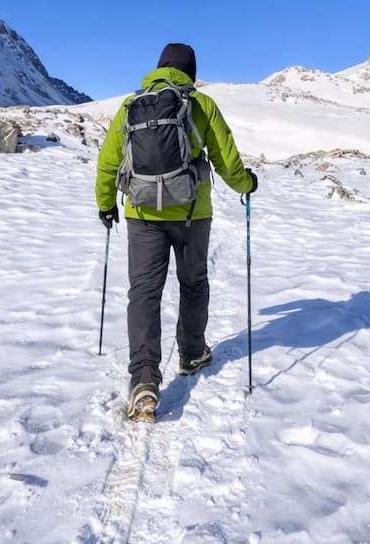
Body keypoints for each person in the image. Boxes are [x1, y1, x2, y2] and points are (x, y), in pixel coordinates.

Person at [95, 43, 257, 420]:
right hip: (191, 213)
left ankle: (144, 381)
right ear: (191, 72)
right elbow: (227, 160)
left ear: (158, 68)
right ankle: (192, 353)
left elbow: (108, 162)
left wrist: (106, 204)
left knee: (145, 293)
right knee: (194, 283)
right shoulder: (200, 105)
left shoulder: (130, 106)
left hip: (141, 213)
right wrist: (246, 184)